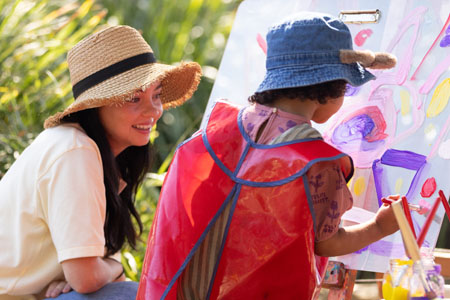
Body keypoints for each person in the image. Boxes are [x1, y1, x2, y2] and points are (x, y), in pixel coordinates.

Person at [137, 12, 399, 300]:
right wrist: (380, 226)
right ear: (331, 88)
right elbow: (327, 243)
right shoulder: (317, 163)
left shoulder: (215, 132)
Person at [0, 25, 202, 300]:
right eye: (134, 98)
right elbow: (88, 278)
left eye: (156, 95)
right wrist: (104, 268)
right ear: (96, 105)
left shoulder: (97, 158)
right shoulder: (74, 151)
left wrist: (91, 273)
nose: (154, 110)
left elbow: (96, 277)